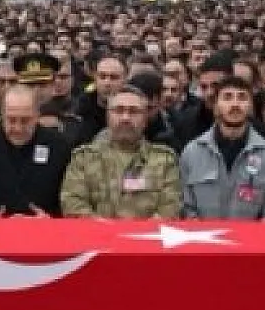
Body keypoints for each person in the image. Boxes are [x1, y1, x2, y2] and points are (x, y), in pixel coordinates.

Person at [59, 85, 182, 219]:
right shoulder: (83, 159)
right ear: (108, 116)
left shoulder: (165, 161)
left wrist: (135, 236)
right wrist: (110, 233)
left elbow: (170, 208)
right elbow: (73, 204)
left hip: (147, 238)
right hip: (95, 238)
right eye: (118, 110)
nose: (125, 118)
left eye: (134, 111)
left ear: (145, 119)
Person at [179, 75, 265, 221]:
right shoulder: (192, 153)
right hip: (204, 241)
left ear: (250, 106)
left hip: (252, 242)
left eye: (242, 97)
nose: (235, 104)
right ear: (216, 105)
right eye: (227, 97)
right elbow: (186, 209)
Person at [0, 83, 71, 216]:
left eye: (25, 120)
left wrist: (51, 221)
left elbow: (67, 198)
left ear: (37, 115)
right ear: (2, 115)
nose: (18, 128)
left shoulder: (59, 147)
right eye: (11, 120)